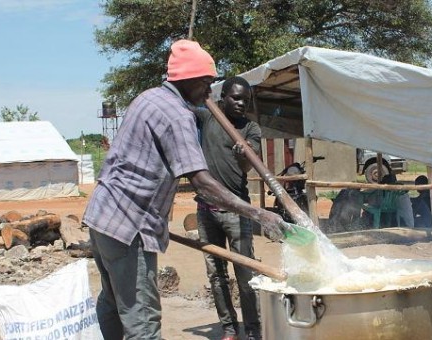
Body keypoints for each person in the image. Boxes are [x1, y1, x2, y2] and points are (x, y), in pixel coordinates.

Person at [81, 40, 292, 340]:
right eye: (206, 83)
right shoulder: (178, 115)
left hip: (103, 218)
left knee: (114, 302)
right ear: (190, 80)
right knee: (142, 322)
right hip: (130, 228)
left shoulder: (147, 98)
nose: (209, 92)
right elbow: (202, 183)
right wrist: (258, 213)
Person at [192, 76, 262, 340]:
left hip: (238, 211)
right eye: (236, 97)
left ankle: (254, 331)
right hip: (206, 210)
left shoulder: (250, 129)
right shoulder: (207, 117)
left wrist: (242, 153)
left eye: (246, 99)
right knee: (216, 274)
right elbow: (183, 102)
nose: (241, 103)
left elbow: (247, 167)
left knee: (245, 274)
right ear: (223, 97)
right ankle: (230, 328)